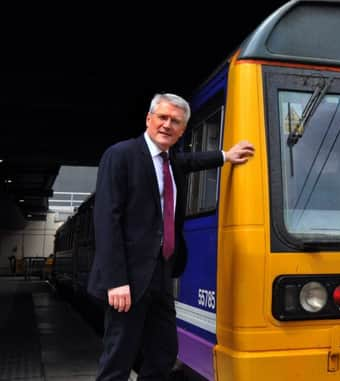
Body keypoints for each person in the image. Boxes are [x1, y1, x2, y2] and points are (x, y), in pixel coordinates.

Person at [87, 93, 254, 380]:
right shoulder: (121, 155)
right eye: (162, 118)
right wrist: (117, 280)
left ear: (182, 130)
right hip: (128, 278)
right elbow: (106, 220)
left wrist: (226, 156)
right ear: (149, 119)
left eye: (175, 121)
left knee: (164, 353)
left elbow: (191, 161)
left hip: (161, 275)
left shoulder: (171, 161)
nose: (167, 125)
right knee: (119, 358)